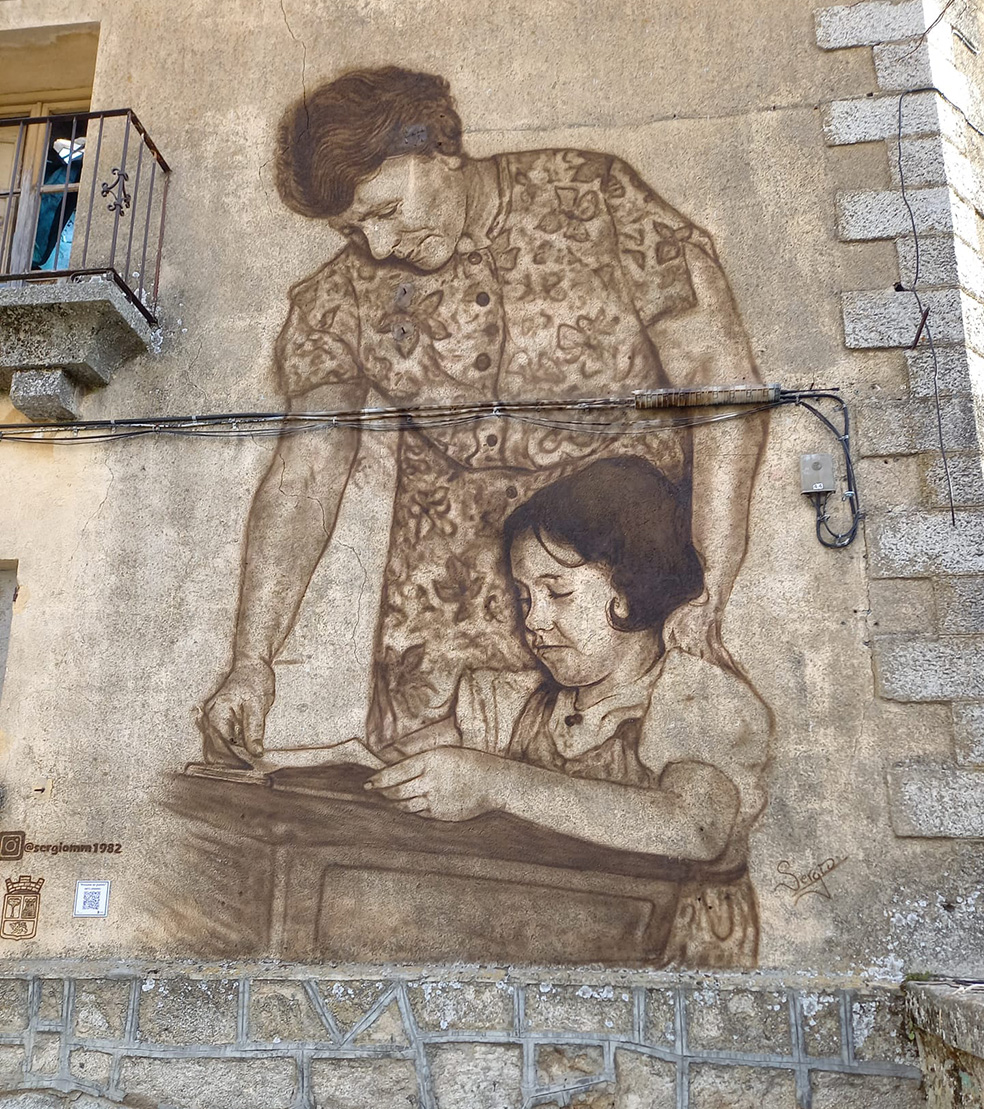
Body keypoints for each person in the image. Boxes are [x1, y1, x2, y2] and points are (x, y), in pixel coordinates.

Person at [199, 66, 768, 766]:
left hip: (615, 595)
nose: (379, 246)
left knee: (625, 794)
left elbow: (720, 387)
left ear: (440, 146)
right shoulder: (339, 296)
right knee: (420, 806)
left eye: (386, 210)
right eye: (352, 228)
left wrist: (709, 582)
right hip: (441, 625)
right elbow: (305, 475)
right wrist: (251, 659)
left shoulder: (598, 200)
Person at [365, 456, 771, 968]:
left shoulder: (694, 697)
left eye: (557, 592)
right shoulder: (513, 704)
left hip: (668, 960)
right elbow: (408, 764)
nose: (533, 621)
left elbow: (695, 829)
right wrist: (354, 761)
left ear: (631, 587)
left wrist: (494, 783)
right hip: (552, 941)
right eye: (524, 597)